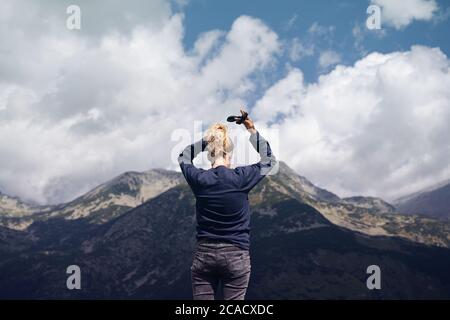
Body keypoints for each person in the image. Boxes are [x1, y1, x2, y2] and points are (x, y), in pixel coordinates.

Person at [178, 109, 277, 300]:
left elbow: (183, 157)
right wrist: (252, 129)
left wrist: (208, 140)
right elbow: (269, 161)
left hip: (204, 255)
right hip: (236, 255)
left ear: (209, 156)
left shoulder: (199, 179)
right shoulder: (240, 178)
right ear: (229, 156)